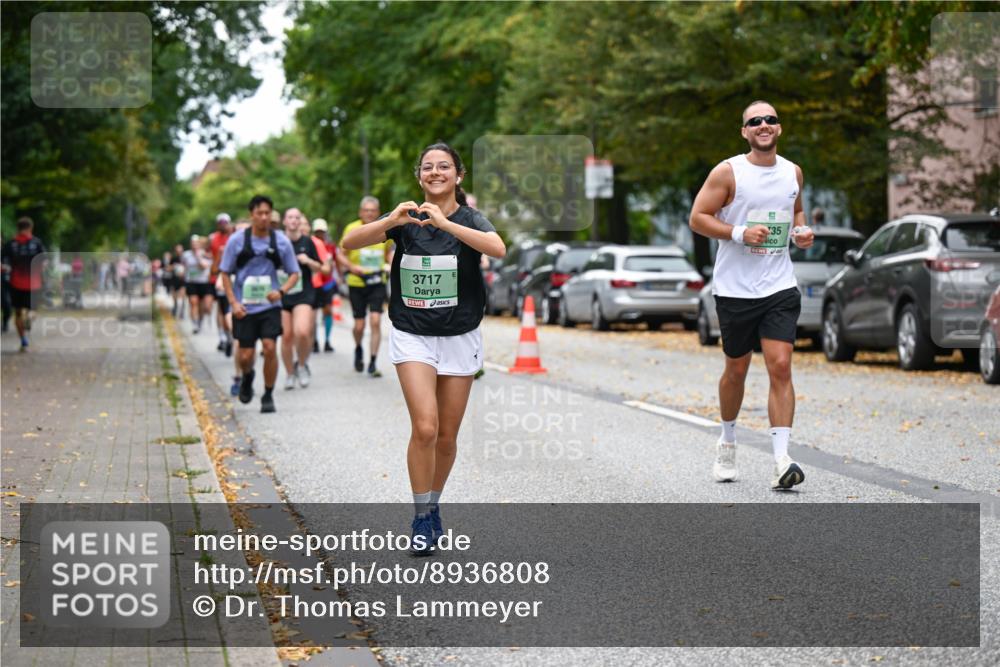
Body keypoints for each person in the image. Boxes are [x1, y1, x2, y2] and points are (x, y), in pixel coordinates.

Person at [342, 143, 506, 555]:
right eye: (428, 168)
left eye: (444, 167)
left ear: (458, 175)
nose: (436, 173)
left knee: (448, 436)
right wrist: (390, 222)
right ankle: (419, 516)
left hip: (459, 334)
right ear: (420, 176)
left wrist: (447, 225)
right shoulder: (405, 217)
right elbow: (349, 243)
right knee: (426, 428)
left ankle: (433, 506)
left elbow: (498, 248)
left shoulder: (469, 219)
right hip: (412, 332)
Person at [689, 100, 815, 490]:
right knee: (737, 369)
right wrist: (740, 232)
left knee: (780, 366)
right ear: (744, 131)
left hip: (778, 285)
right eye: (755, 121)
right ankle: (727, 439)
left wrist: (801, 232)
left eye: (771, 120)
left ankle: (782, 459)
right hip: (735, 289)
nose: (764, 125)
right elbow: (698, 218)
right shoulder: (729, 172)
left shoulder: (793, 172)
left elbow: (794, 212)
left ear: (779, 128)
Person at [220, 195, 300, 413]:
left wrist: (281, 291)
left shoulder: (280, 241)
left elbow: (295, 273)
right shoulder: (237, 240)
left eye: (267, 213)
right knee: (245, 356)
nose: (264, 217)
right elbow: (225, 273)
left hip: (269, 307)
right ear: (252, 215)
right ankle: (247, 376)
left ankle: (268, 393)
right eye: (259, 213)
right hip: (244, 308)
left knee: (269, 347)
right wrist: (233, 303)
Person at [340, 196, 393, 377]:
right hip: (357, 282)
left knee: (376, 321)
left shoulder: (384, 227)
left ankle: (372, 361)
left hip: (377, 280)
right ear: (360, 212)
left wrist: (393, 265)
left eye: (373, 210)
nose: (369, 213)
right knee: (360, 325)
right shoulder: (352, 228)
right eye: (366, 210)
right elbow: (341, 254)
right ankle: (358, 347)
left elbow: (388, 254)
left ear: (378, 212)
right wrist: (351, 267)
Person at [279, 207, 332, 389]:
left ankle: (301, 365)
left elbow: (325, 269)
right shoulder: (277, 241)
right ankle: (289, 373)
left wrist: (308, 261)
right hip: (283, 293)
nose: (294, 220)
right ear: (284, 221)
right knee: (286, 336)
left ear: (300, 221)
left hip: (304, 293)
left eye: (297, 217)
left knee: (302, 332)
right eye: (290, 217)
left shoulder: (308, 242)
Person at [1, 217, 46, 351]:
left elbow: (2, 261)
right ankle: (30, 317)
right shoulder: (37, 243)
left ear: (18, 228)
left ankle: (23, 341)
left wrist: (5, 267)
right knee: (33, 309)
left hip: (15, 283)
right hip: (34, 283)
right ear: (30, 228)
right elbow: (44, 261)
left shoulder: (11, 244)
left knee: (18, 313)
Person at [311, 218, 339, 353]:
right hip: (313, 283)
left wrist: (339, 277)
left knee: (327, 311)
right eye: (317, 232)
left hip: (327, 283)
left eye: (322, 232)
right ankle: (314, 341)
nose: (319, 234)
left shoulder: (331, 247)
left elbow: (335, 261)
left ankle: (327, 341)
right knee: (313, 313)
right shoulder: (311, 244)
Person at [209, 213, 234, 356]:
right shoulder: (214, 239)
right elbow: (213, 263)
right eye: (221, 222)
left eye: (226, 222)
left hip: (236, 278)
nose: (224, 224)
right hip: (220, 278)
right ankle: (224, 336)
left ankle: (231, 336)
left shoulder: (235, 238)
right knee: (222, 309)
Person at [181, 235, 214, 334]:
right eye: (193, 244)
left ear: (200, 245)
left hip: (204, 282)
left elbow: (204, 266)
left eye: (196, 244)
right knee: (193, 302)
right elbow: (184, 267)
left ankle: (200, 320)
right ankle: (195, 324)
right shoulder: (186, 255)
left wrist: (198, 257)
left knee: (204, 306)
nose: (194, 246)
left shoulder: (205, 254)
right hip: (191, 282)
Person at [169, 243, 186, 318]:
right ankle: (175, 306)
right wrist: (173, 267)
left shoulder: (185, 258)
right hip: (174, 279)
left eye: (180, 249)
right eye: (177, 249)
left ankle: (182, 310)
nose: (179, 251)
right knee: (174, 295)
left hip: (183, 279)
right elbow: (168, 268)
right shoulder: (173, 259)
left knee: (182, 294)